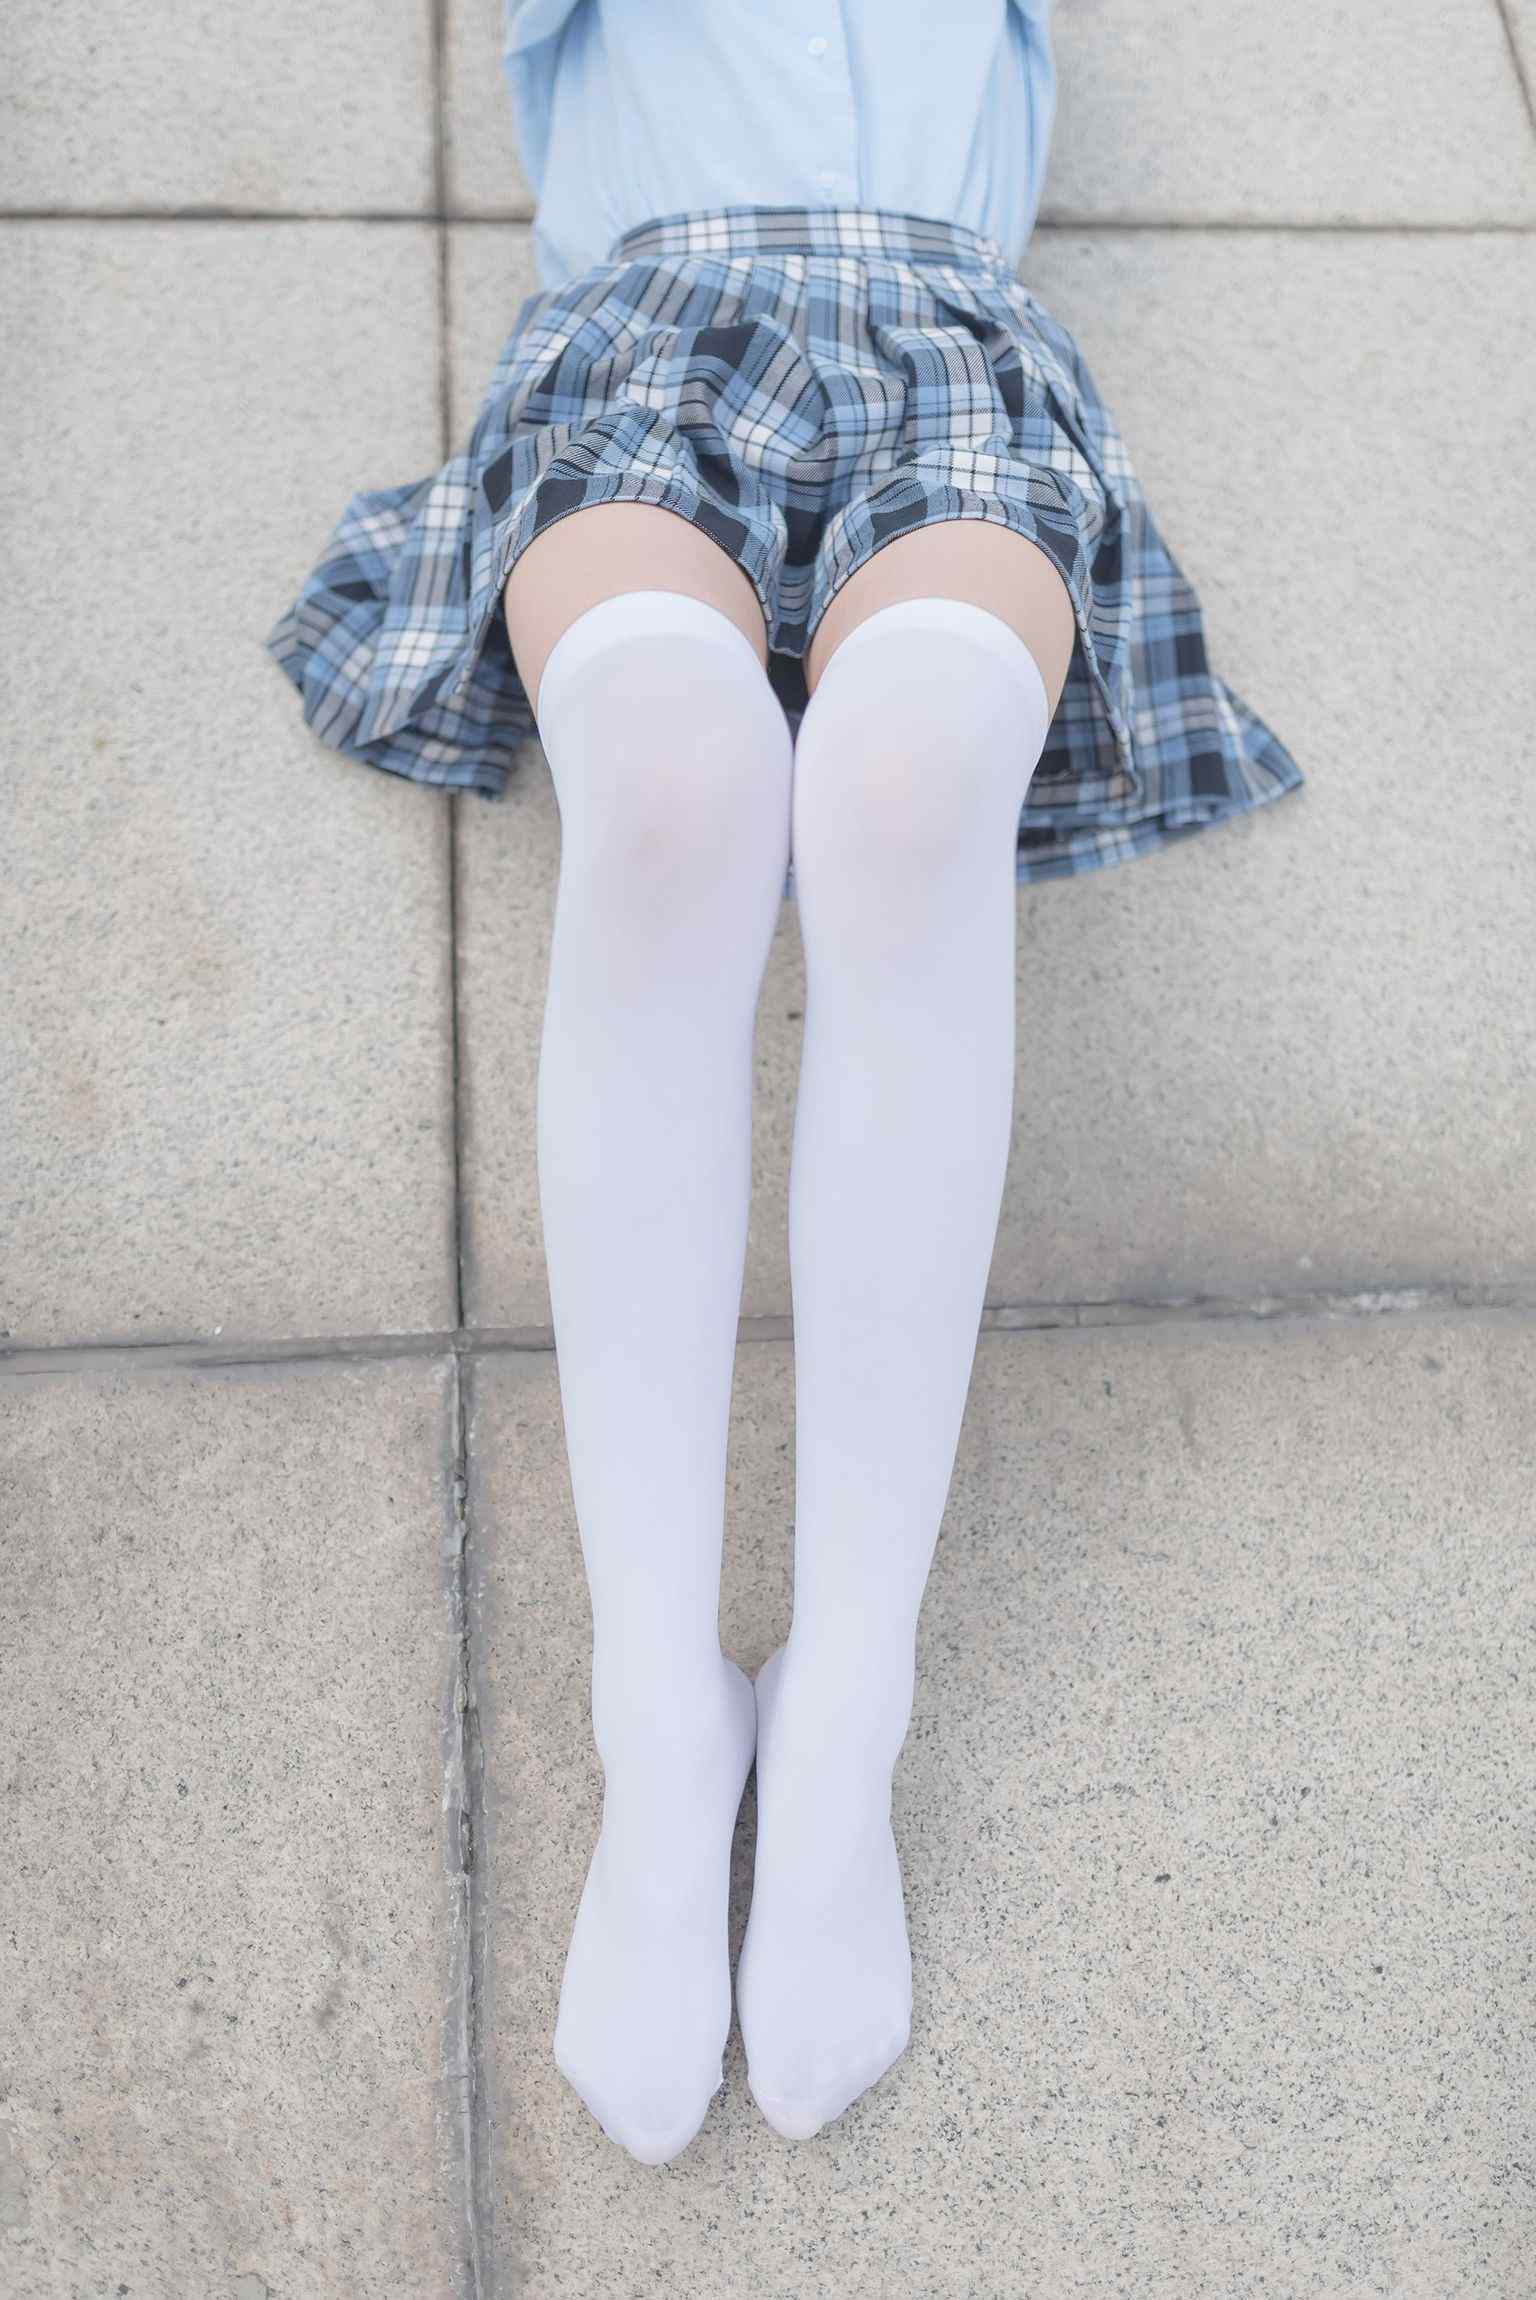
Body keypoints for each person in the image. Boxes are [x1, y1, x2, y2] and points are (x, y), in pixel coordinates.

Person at [267, 0, 1303, 2168]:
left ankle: (846, 1712)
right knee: (670, 800)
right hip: (655, 340)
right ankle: (660, 1715)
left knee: (911, 802)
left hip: (949, 349)